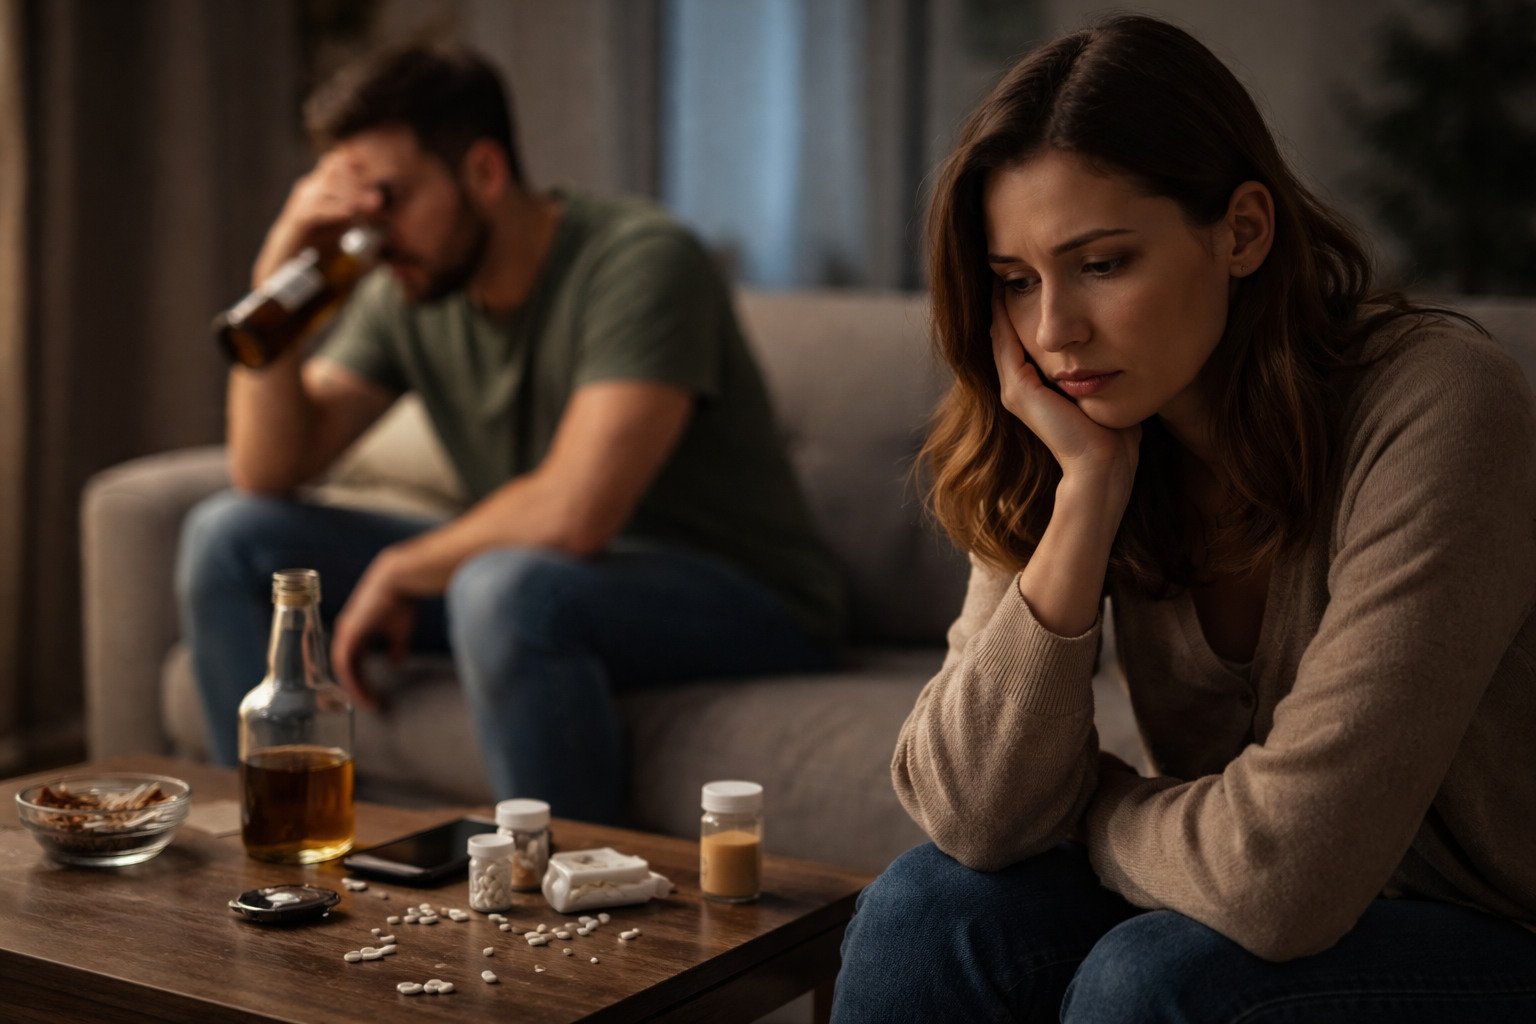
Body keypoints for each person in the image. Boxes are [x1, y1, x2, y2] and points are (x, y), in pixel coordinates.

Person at [833, 14, 1536, 1022]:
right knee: (924, 910)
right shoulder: (1076, 421)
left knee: (1154, 983)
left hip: (1490, 932)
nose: (1052, 330)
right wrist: (1084, 495)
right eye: (1015, 282)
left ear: (1243, 230)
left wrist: (1092, 802)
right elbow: (974, 814)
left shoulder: (1441, 401)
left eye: (1103, 263)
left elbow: (1286, 875)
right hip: (1214, 893)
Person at [177, 43, 844, 824]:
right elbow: (270, 469)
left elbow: (574, 509)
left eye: (388, 199)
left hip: (742, 595)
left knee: (498, 587)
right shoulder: (411, 286)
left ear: (484, 173)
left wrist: (404, 567)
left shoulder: (642, 260)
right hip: (553, 578)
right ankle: (275, 850)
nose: (371, 236)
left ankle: (568, 912)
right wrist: (276, 278)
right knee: (230, 536)